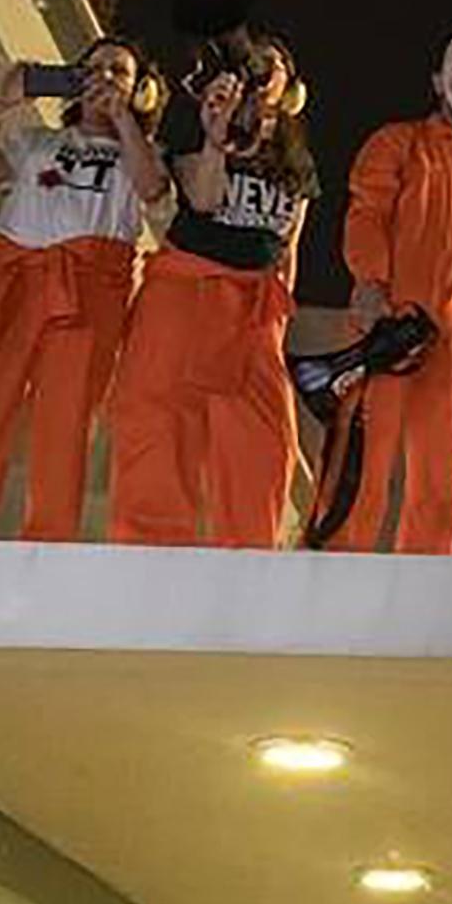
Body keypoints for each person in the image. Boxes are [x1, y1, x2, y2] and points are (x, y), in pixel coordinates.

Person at [0, 40, 169, 540]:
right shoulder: (36, 141)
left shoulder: (144, 152)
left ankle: (49, 539)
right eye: (93, 68)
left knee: (65, 421)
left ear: (141, 89)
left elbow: (154, 191)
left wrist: (124, 119)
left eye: (118, 71)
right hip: (14, 279)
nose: (104, 78)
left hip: (89, 291)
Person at [105, 34, 318, 547]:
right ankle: (148, 553)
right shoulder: (197, 121)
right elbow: (201, 199)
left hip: (255, 307)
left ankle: (246, 558)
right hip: (187, 287)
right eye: (253, 62)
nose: (260, 70)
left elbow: (288, 246)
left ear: (291, 87)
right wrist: (215, 138)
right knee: (162, 425)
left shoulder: (296, 157)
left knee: (265, 440)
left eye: (272, 64)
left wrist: (279, 319)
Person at [331, 33, 452, 553]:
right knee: (364, 464)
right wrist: (371, 283)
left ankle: (425, 583)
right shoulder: (395, 143)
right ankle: (338, 573)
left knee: (442, 483)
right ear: (438, 81)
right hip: (392, 325)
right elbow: (368, 213)